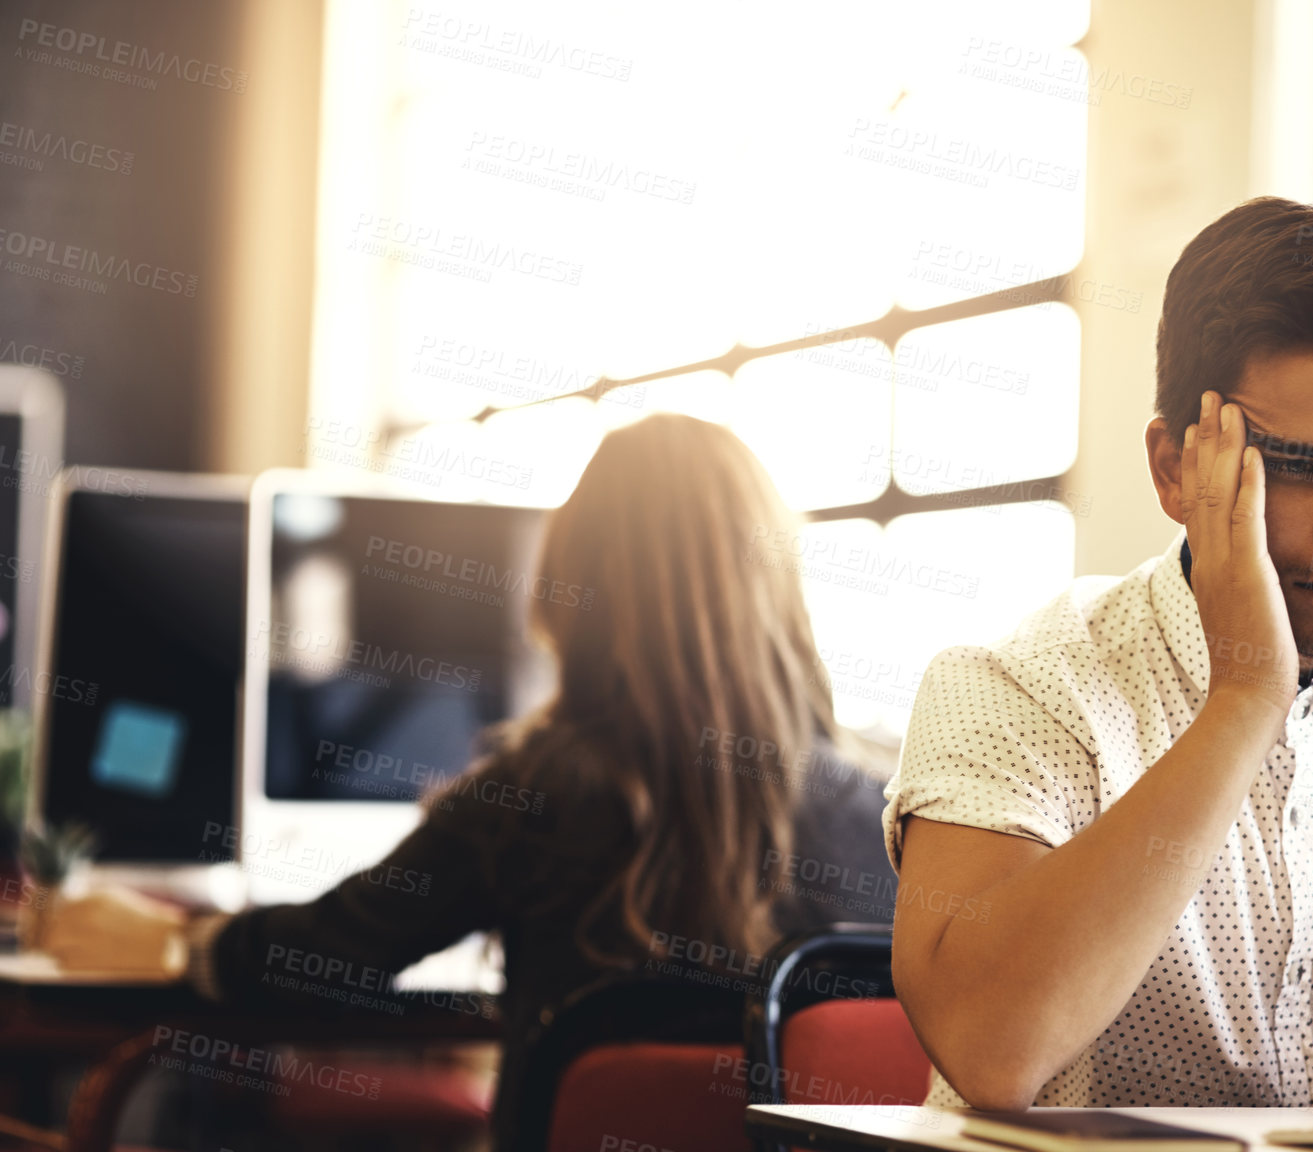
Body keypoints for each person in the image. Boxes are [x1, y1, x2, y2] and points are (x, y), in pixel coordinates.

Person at [43, 412, 894, 1139]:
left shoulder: (536, 793)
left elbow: (332, 951)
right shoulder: (881, 818)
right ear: (778, 584)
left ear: (571, 589)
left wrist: (175, 942)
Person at [885, 197, 1313, 1110]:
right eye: (1298, 464)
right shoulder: (1015, 687)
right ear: (1175, 469)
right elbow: (989, 1047)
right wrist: (1247, 697)